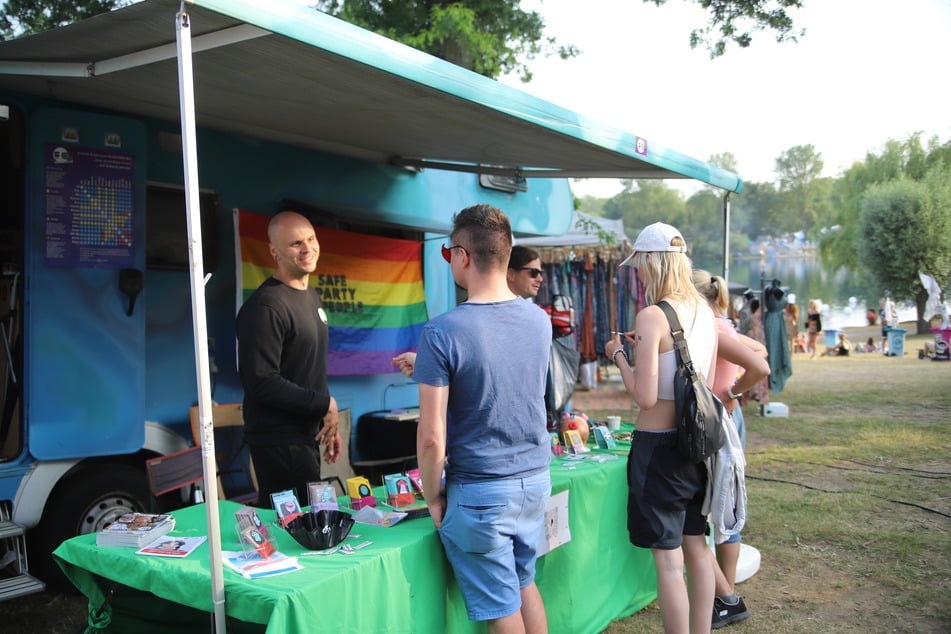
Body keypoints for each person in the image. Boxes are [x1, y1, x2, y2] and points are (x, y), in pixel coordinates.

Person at [414, 204, 553, 633]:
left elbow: (432, 436)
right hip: (534, 479)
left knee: (501, 609)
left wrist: (433, 493)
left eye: (446, 253)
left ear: (461, 255)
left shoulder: (443, 331)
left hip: (482, 490)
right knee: (524, 583)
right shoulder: (539, 319)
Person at [604, 222, 718, 634]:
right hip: (697, 443)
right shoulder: (704, 311)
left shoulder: (653, 315)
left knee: (669, 562)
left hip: (658, 448)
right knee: (697, 547)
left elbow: (646, 396)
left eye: (639, 266)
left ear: (650, 263)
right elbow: (700, 377)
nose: (637, 274)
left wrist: (619, 355)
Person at [236, 210, 342, 504]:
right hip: (280, 442)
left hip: (306, 436)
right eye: (296, 243)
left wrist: (326, 421)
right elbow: (262, 382)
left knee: (313, 527)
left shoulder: (311, 296)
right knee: (298, 534)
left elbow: (308, 368)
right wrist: (325, 404)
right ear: (274, 251)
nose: (308, 249)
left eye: (311, 239)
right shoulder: (266, 307)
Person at [694, 271, 770, 629]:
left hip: (720, 419)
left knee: (720, 505)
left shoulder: (712, 327)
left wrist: (734, 392)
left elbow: (761, 362)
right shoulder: (721, 324)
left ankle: (724, 595)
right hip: (726, 417)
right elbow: (759, 348)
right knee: (725, 502)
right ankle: (724, 592)